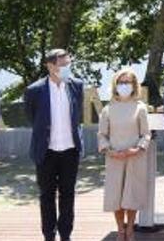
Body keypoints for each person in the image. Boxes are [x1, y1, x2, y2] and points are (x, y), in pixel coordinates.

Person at [25, 48, 85, 241]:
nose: (67, 68)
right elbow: (31, 117)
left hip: (70, 150)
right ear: (50, 66)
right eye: (62, 64)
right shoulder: (34, 90)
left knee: (68, 195)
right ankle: (49, 235)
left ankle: (66, 234)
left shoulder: (77, 85)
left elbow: (78, 116)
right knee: (46, 196)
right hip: (46, 151)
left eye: (69, 64)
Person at [97, 68, 151, 241]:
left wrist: (138, 149)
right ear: (115, 85)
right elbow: (102, 134)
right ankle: (120, 229)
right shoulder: (108, 109)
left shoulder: (140, 108)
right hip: (114, 158)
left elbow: (146, 134)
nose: (124, 86)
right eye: (121, 82)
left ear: (134, 85)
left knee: (131, 195)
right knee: (116, 195)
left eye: (128, 82)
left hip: (135, 157)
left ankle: (130, 230)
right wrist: (108, 150)